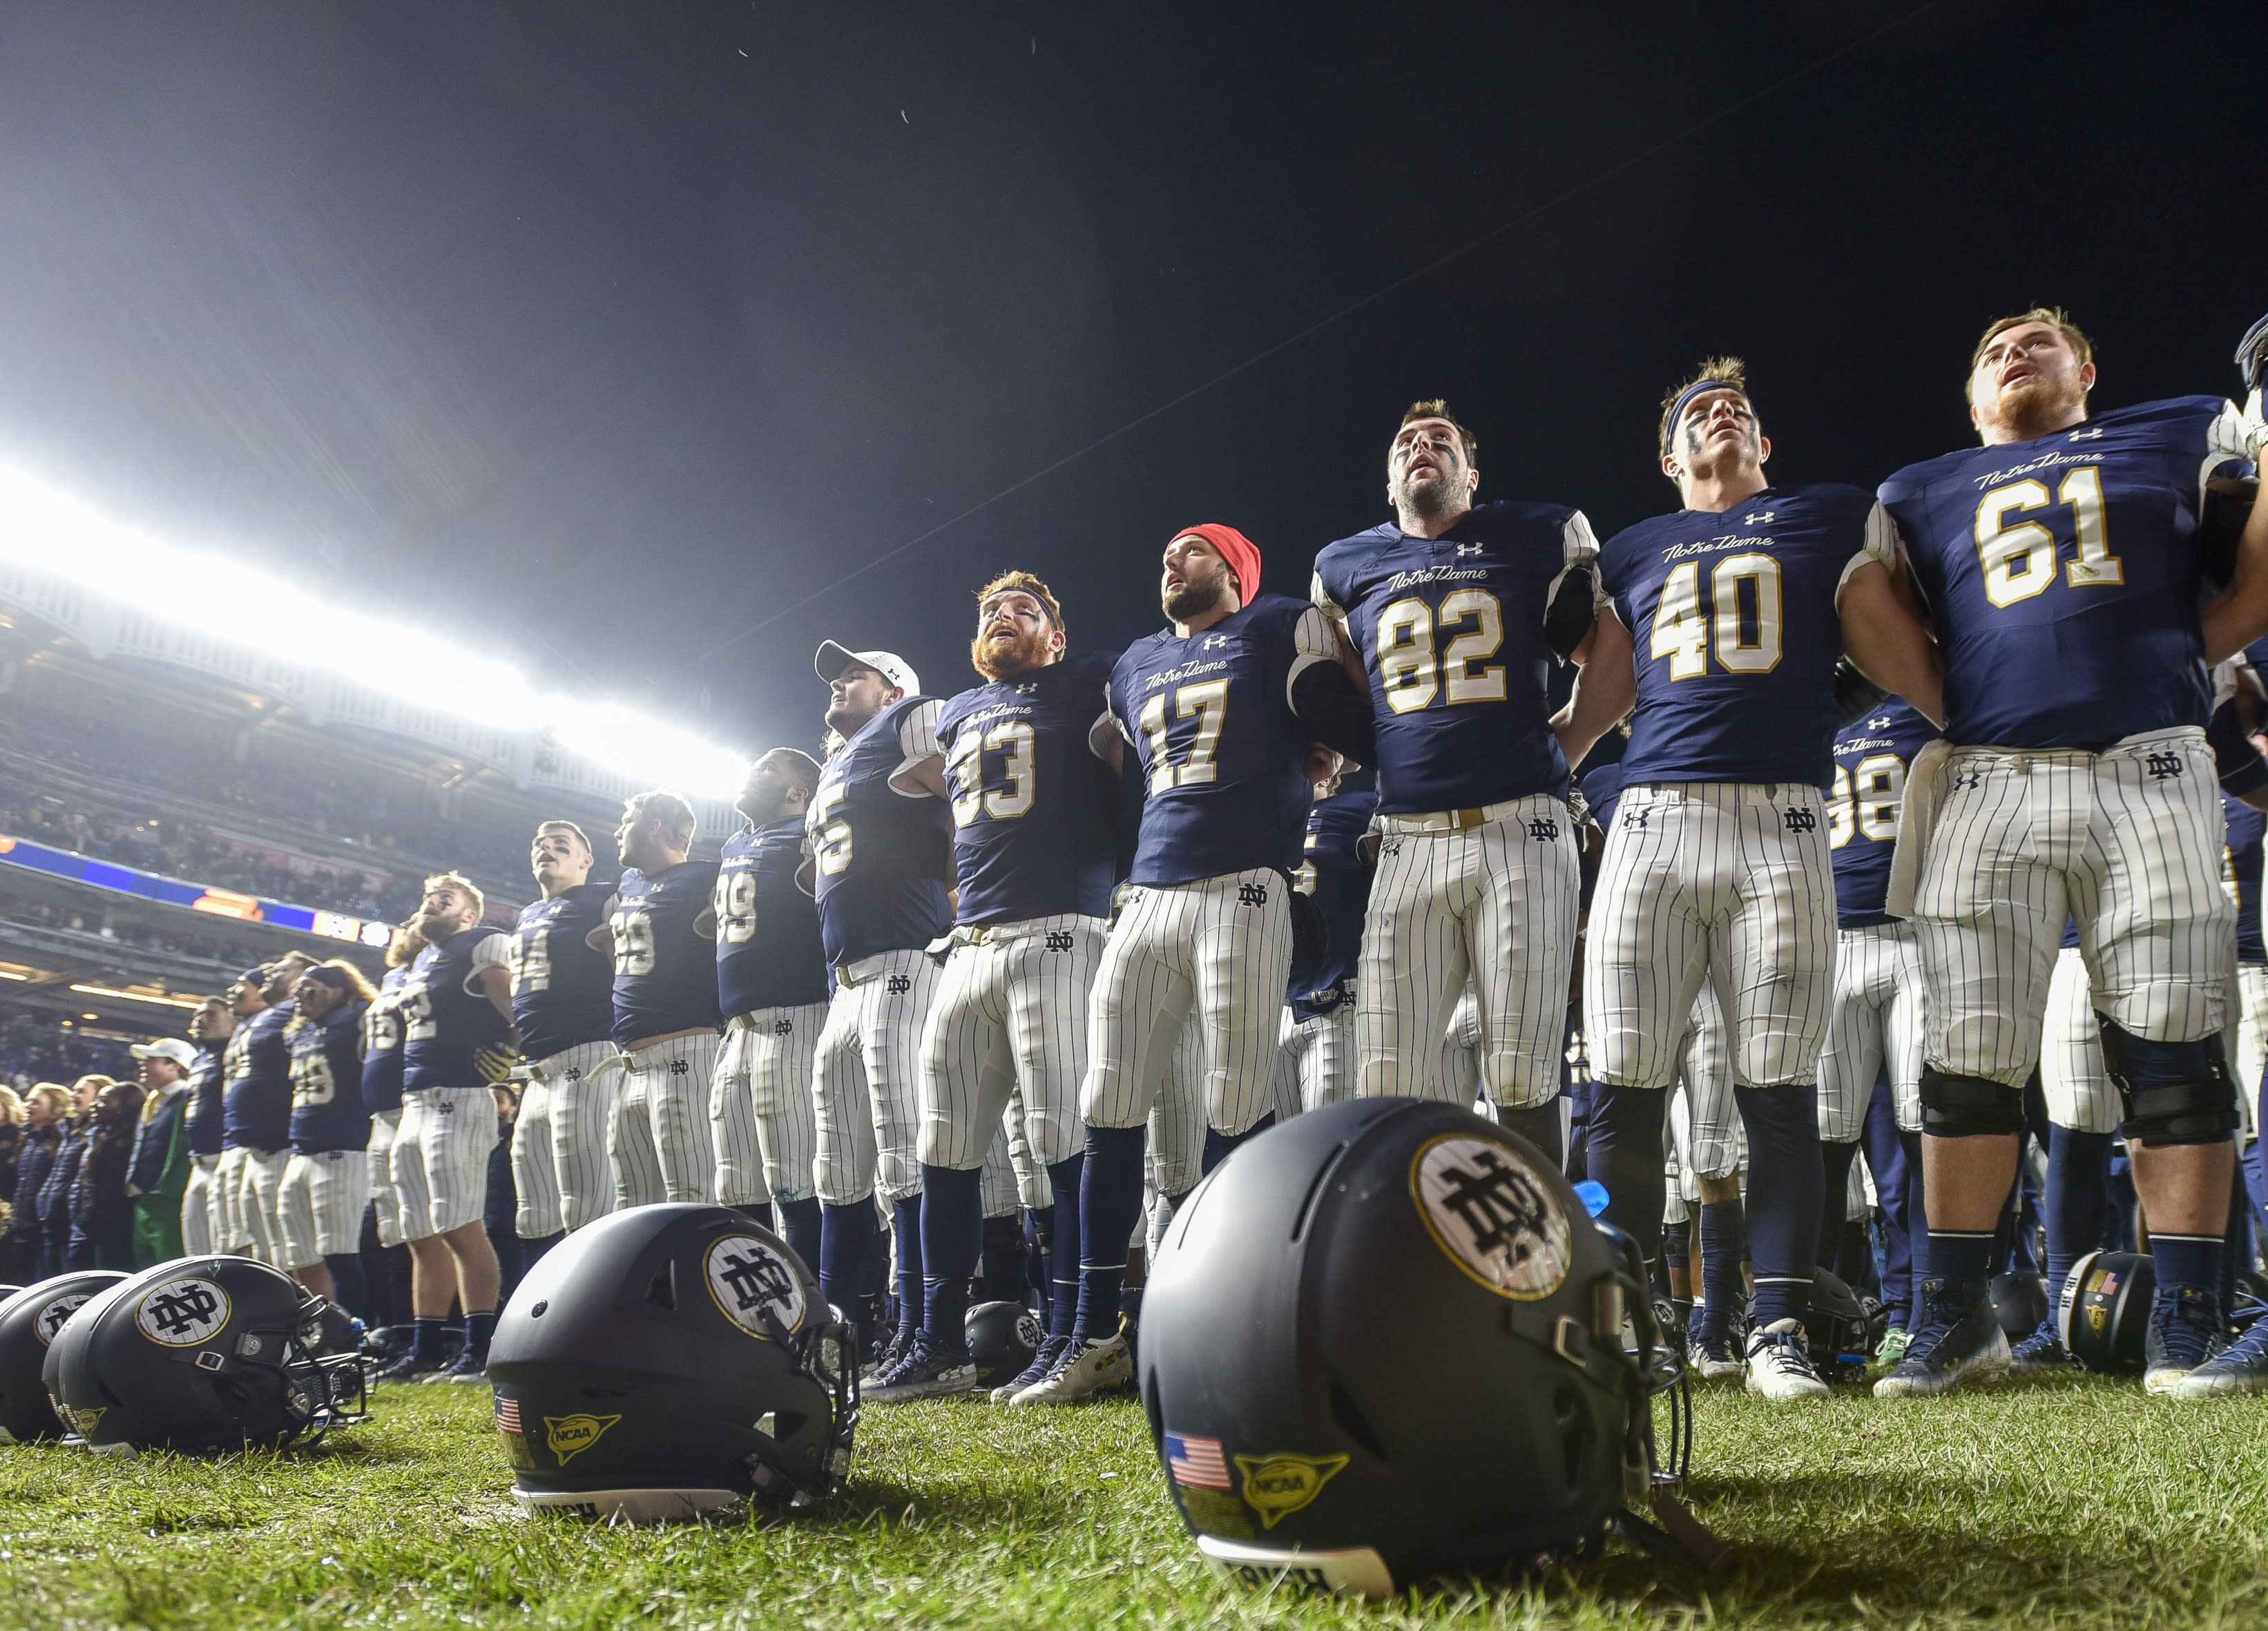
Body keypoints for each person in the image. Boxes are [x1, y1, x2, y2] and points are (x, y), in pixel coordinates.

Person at [1874, 307, 2268, 1398]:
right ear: (1970, 400)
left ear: (2086, 369)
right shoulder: (1920, 488)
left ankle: (2190, 1311)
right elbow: (1871, 604)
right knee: (1965, 1060)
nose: (2013, 346)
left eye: (2039, 337)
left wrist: (2195, 653)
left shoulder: (2178, 429)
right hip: (1991, 775)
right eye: (1992, 342)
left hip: (2149, 759)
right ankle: (1954, 1314)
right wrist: (1951, 698)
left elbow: (2254, 560)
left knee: (2175, 1053)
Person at [1557, 358, 1942, 1400]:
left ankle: (1776, 1327)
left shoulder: (1825, 517)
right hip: (1651, 819)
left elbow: (1900, 653)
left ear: (1763, 445)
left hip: (1781, 818)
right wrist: (1530, 760)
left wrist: (1982, 720)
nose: (1720, 414)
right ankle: (1625, 1323)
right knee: (1621, 1096)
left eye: (1739, 409)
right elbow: (1598, 703)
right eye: (1697, 411)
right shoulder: (1634, 547)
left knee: (1777, 1092)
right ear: (1669, 455)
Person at [1015, 523, 1365, 1405]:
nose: (1172, 561)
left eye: (1195, 551)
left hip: (1245, 887)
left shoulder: (1280, 625)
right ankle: (1094, 1332)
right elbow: (1118, 763)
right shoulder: (1129, 663)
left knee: (1236, 1101)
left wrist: (1314, 759)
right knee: (1107, 1104)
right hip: (1147, 895)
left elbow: (1356, 719)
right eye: (1166, 552)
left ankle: (1223, 1317)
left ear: (1238, 573)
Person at [1310, 400, 1591, 1151]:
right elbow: (1361, 690)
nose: (1419, 448)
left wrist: (1570, 741)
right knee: (1386, 1078)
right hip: (1406, 838)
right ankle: (1406, 1263)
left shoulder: (1532, 534)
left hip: (1520, 830)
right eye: (1405, 441)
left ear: (1472, 472)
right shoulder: (1345, 565)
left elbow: (1609, 653)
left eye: (1440, 441)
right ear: (1388, 480)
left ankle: (1535, 1265)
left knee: (1522, 1072)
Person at [869, 572, 1119, 1402]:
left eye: (1023, 610)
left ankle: (1079, 1328)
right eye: (987, 612)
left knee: (1059, 1136)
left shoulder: (1089, 678)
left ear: (1054, 633)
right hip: (968, 941)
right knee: (942, 1144)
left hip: (1058, 927)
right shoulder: (956, 712)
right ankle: (937, 1341)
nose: (1002, 618)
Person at [805, 642, 955, 1372]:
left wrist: (957, 898)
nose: (838, 680)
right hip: (845, 978)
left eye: (854, 673)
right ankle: (838, 1342)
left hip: (903, 955)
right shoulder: (837, 760)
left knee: (903, 1155)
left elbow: (973, 804)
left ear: (893, 687)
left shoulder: (912, 720)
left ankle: (922, 1330)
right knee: (837, 1167)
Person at [1816, 698, 1941, 1360]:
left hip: (1915, 933)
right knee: (1827, 1145)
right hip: (1833, 944)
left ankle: (1923, 1311)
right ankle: (1818, 1315)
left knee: (1921, 1143)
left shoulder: (1915, 701)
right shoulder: (1814, 705)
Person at [381, 874, 514, 1384]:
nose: (431, 904)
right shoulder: (421, 960)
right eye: (428, 898)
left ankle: (480, 1349)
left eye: (446, 899)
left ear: (469, 914)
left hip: (456, 1098)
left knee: (461, 1226)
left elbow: (511, 1007)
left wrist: (512, 1051)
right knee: (421, 1233)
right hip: (415, 1101)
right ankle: (426, 1347)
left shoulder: (481, 943)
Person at [712, 749, 830, 1268]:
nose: (752, 773)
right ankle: (757, 1315)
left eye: (767, 768)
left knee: (796, 1183)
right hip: (736, 1031)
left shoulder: (812, 830)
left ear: (797, 792)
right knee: (735, 1189)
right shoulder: (736, 842)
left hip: (796, 1017)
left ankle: (820, 1320)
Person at [595, 791, 722, 1208]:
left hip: (687, 1052)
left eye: (627, 820)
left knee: (690, 1197)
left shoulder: (708, 878)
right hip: (629, 1065)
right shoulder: (627, 886)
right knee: (629, 1207)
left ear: (654, 826)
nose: (618, 830)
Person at [508, 821, 618, 1241]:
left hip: (587, 1055)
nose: (546, 849)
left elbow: (622, 968)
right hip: (537, 1070)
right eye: (540, 844)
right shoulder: (527, 914)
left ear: (585, 861)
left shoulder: (602, 897)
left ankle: (597, 1307)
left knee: (587, 1205)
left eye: (561, 845)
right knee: (534, 1216)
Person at [1282, 766, 1376, 1112]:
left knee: (1329, 1147)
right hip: (1269, 1009)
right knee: (1274, 1158)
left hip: (1335, 1001)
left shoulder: (1359, 807)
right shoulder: (1265, 818)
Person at [280, 963, 375, 1310]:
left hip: (343, 1150)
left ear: (337, 990)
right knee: (300, 1256)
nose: (299, 993)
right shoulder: (300, 1031)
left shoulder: (356, 1017)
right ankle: (322, 1331)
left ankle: (353, 1335)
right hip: (301, 1152)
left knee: (340, 1252)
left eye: (311, 986)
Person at [222, 955, 314, 1264]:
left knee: (286, 1249)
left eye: (282, 969)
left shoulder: (297, 1012)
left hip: (280, 1143)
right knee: (259, 1246)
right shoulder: (265, 1016)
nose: (271, 973)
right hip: (252, 1145)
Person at [124, 1037, 198, 1268]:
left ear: (174, 1065)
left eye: (152, 1060)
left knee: (169, 1270)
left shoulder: (188, 1098)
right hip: (144, 1197)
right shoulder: (153, 1101)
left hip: (170, 1198)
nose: (143, 1065)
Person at [66, 1078, 144, 1270]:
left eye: (103, 1101)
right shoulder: (99, 1137)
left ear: (122, 1107)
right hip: (87, 1222)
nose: (94, 1106)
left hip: (113, 1226)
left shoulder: (132, 1142)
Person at [177, 996, 234, 1257]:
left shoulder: (234, 1054)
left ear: (234, 1024)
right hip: (198, 1163)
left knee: (225, 1246)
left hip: (224, 1158)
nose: (200, 1020)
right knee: (196, 1250)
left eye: (211, 1015)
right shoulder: (201, 1060)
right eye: (198, 1015)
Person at [10, 1083, 66, 1282]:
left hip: (43, 1225)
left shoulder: (61, 1139)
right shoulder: (28, 1139)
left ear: (55, 1107)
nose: (28, 1105)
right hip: (22, 1223)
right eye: (27, 1101)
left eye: (36, 1102)